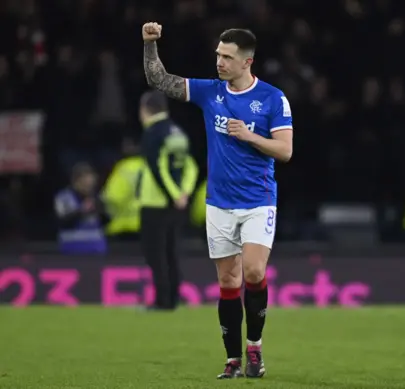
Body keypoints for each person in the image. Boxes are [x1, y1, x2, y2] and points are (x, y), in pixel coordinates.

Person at [142, 23, 294, 379]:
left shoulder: (273, 98)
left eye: (227, 57)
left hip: (258, 200)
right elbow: (159, 80)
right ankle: (232, 361)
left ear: (247, 62)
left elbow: (285, 151)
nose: (220, 62)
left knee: (254, 271)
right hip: (219, 203)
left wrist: (250, 135)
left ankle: (253, 347)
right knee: (228, 282)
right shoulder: (211, 92)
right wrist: (150, 45)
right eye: (218, 55)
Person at [137, 90, 199, 312]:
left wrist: (172, 195)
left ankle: (162, 301)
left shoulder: (153, 133)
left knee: (156, 253)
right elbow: (191, 166)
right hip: (176, 203)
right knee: (171, 251)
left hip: (156, 202)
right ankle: (173, 297)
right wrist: (184, 193)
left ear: (145, 109)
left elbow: (157, 167)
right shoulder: (178, 132)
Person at [54, 162, 109, 255]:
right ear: (76, 181)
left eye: (91, 183)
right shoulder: (64, 197)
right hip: (71, 248)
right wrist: (81, 211)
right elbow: (61, 222)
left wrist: (100, 208)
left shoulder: (98, 198)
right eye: (84, 182)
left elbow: (106, 221)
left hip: (96, 248)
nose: (88, 186)